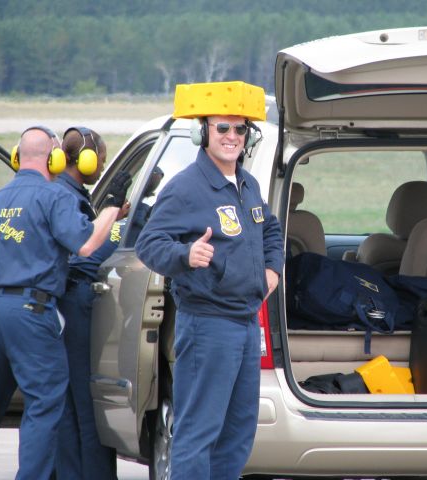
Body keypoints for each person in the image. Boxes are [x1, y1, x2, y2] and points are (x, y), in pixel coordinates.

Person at [0, 125, 131, 480]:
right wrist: (109, 209)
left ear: (18, 156)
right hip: (32, 311)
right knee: (45, 406)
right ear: (54, 159)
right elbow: (87, 244)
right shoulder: (54, 198)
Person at [135, 82, 284, 480]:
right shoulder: (185, 188)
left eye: (240, 130)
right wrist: (185, 255)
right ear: (204, 133)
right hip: (207, 326)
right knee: (198, 433)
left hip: (245, 324)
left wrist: (272, 270)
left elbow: (270, 230)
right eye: (222, 128)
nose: (232, 137)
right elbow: (149, 243)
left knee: (237, 435)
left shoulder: (247, 185)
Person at [53, 126, 129, 479]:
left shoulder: (70, 194)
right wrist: (119, 224)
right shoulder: (67, 198)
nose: (102, 165)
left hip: (66, 303)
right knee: (82, 399)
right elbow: (87, 256)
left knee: (71, 397)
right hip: (75, 300)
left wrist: (116, 214)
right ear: (84, 160)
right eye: (100, 158)